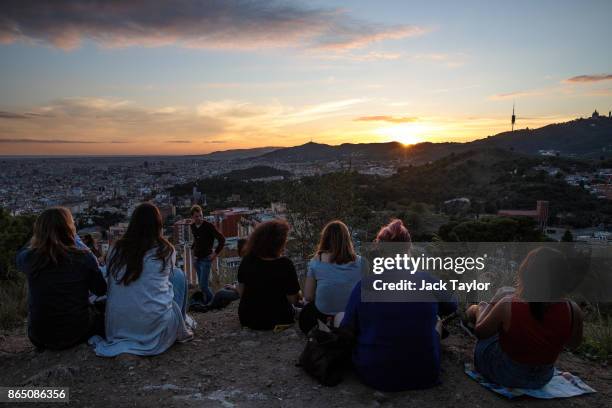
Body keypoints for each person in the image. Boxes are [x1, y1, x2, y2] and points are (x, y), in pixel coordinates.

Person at [340, 219, 457, 391]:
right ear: (409, 249)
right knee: (437, 321)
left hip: (374, 374)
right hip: (425, 373)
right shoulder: (426, 279)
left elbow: (346, 327)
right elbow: (452, 305)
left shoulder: (364, 285)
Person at [466, 247, 583, 389]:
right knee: (501, 322)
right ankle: (476, 309)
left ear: (527, 273)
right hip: (541, 379)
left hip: (505, 374)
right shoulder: (572, 309)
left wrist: (494, 301)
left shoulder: (508, 303)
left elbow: (481, 333)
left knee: (484, 308)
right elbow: (573, 344)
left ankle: (472, 311)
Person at [90, 202, 193, 357]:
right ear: (158, 225)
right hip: (155, 329)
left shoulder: (115, 249)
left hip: (117, 329)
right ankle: (181, 321)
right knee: (178, 275)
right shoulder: (165, 250)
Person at [16, 207, 107, 350]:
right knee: (104, 309)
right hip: (77, 332)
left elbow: (22, 252)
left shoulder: (29, 258)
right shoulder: (84, 257)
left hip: (39, 336)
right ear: (70, 228)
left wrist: (40, 236)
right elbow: (101, 290)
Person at [299, 220, 363, 334]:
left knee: (307, 306)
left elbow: (308, 296)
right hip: (352, 315)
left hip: (323, 313)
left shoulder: (316, 261)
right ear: (347, 239)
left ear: (325, 239)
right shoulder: (362, 262)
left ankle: (327, 325)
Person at [237, 220, 300, 330]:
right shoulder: (285, 264)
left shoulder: (247, 260)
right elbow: (293, 300)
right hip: (279, 318)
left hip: (248, 318)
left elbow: (242, 293)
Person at [190, 205, 225, 304]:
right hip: (197, 261)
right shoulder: (192, 226)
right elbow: (196, 240)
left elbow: (222, 240)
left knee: (203, 286)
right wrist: (193, 254)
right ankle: (207, 303)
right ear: (192, 217)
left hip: (206, 259)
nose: (199, 218)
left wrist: (215, 254)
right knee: (203, 286)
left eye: (200, 215)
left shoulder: (209, 226)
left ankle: (215, 302)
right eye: (196, 216)